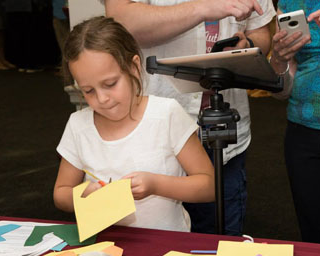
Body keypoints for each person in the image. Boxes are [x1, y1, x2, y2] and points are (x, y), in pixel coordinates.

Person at [102, 0, 276, 235]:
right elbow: (120, 19)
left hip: (223, 137)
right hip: (155, 137)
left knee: (222, 246)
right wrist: (205, 8)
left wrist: (248, 46)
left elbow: (260, 31)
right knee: (154, 245)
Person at [53, 16, 215, 232]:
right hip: (105, 246)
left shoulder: (166, 115)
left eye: (110, 84)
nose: (101, 98)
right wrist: (83, 195)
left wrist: (156, 185)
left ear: (134, 67)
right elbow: (61, 193)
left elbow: (209, 186)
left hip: (166, 244)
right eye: (88, 91)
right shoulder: (78, 125)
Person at [269, 0, 320, 244]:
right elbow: (280, 92)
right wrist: (278, 59)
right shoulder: (288, 5)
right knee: (315, 236)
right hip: (303, 132)